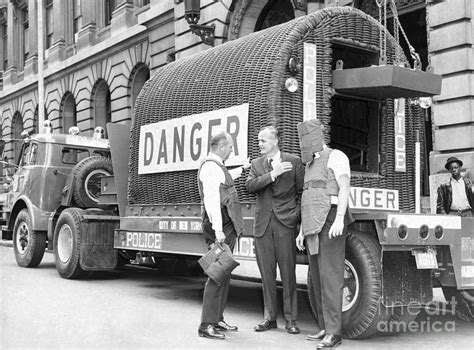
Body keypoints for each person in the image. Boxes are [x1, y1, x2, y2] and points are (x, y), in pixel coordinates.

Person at [296, 119, 351, 349]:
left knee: (331, 277)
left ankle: (334, 333)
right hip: (312, 224)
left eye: (307, 140)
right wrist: (301, 231)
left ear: (317, 138)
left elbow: (345, 187)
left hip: (330, 220)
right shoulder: (309, 165)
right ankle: (324, 326)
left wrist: (340, 217)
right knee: (317, 278)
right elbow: (307, 199)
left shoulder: (336, 156)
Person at [245, 125, 304, 334]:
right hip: (262, 226)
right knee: (266, 274)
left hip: (285, 224)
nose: (259, 144)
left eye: (263, 140)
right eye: (259, 140)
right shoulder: (256, 164)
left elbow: (301, 193)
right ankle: (269, 318)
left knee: (288, 274)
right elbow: (249, 186)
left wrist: (295, 217)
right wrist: (272, 174)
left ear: (275, 141)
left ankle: (291, 320)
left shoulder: (294, 161)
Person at [197, 131, 250, 340]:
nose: (231, 150)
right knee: (217, 273)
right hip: (220, 228)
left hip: (225, 227)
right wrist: (219, 231)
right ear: (220, 147)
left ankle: (217, 319)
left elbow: (226, 179)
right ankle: (206, 324)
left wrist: (243, 168)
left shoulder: (217, 166)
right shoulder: (211, 168)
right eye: (229, 147)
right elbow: (211, 201)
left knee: (224, 272)